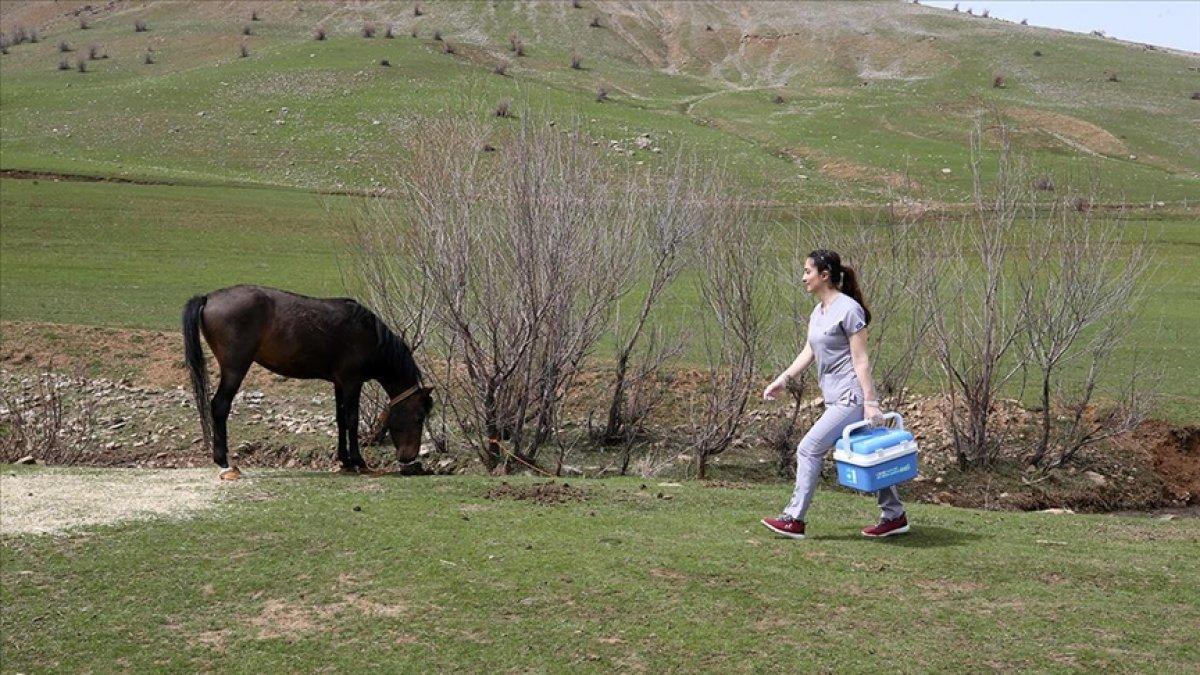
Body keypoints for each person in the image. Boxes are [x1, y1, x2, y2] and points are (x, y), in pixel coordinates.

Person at [759, 250, 909, 540]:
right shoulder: (818, 312)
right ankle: (894, 515)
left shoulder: (849, 310)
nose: (803, 277)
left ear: (824, 275)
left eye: (807, 271)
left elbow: (861, 360)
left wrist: (871, 403)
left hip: (851, 398)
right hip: (835, 398)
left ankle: (794, 519)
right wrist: (783, 379)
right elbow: (810, 351)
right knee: (869, 453)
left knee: (808, 449)